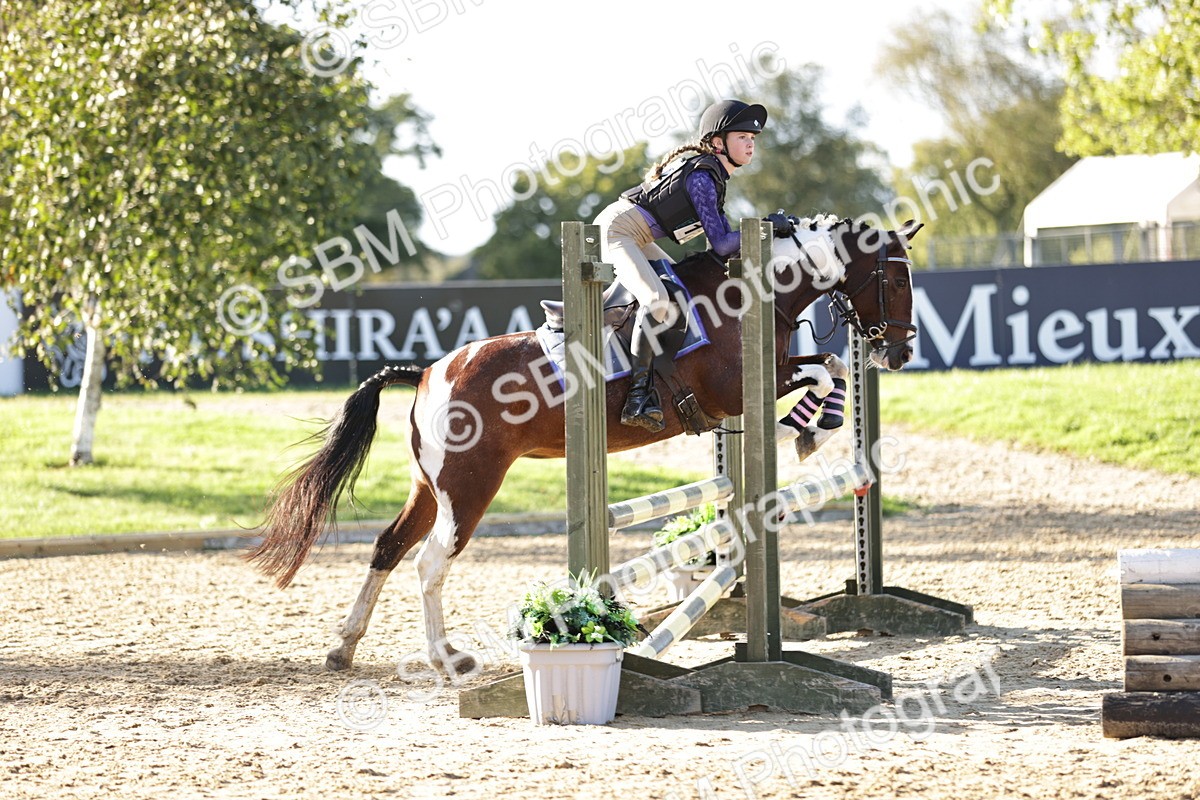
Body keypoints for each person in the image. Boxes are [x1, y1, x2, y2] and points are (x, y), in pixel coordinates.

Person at [594, 98, 783, 432]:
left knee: (681, 292)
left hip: (636, 236)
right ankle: (637, 398)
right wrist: (766, 226)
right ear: (717, 143)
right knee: (657, 300)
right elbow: (723, 244)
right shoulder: (702, 178)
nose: (751, 143)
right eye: (742, 137)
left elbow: (722, 249)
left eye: (752, 138)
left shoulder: (713, 177)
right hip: (616, 231)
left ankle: (666, 381)